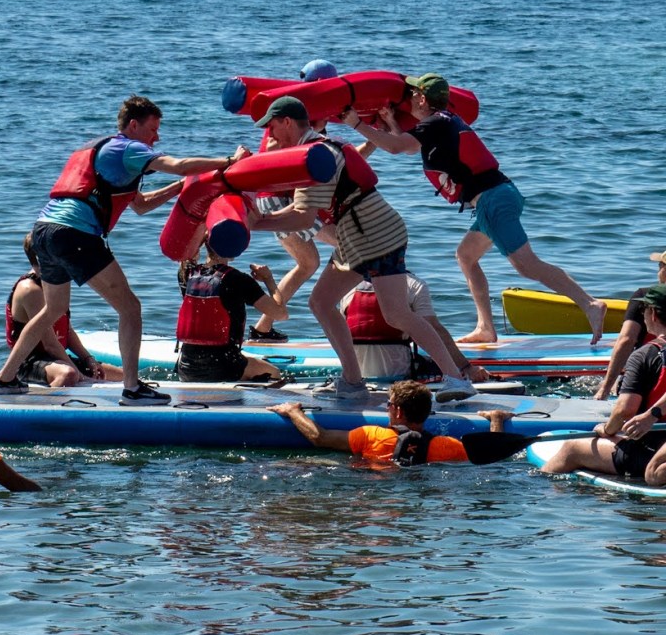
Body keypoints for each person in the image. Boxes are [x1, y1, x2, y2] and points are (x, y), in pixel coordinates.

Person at [0, 94, 250, 406]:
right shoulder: (127, 147)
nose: (157, 136)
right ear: (133, 125)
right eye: (152, 129)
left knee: (53, 309)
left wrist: (181, 188)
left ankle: (4, 380)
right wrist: (230, 163)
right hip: (75, 233)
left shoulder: (108, 153)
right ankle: (132, 389)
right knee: (131, 308)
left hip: (44, 230)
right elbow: (177, 165)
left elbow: (140, 205)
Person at [340, 73, 607, 346]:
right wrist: (392, 122)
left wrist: (356, 123)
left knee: (527, 265)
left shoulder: (434, 123)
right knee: (466, 256)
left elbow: (397, 148)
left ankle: (589, 304)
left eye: (412, 95)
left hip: (492, 200)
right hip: (499, 195)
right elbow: (408, 147)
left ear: (421, 98)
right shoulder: (446, 120)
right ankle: (485, 328)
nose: (409, 101)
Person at [249, 96, 476, 403]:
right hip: (367, 233)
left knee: (393, 313)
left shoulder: (315, 157)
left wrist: (254, 224)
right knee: (323, 302)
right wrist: (260, 216)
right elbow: (301, 209)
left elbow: (302, 217)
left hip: (373, 234)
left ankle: (454, 379)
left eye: (272, 126)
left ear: (288, 122)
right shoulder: (319, 147)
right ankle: (354, 381)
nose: (270, 135)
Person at [250, 58, 339, 343]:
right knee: (350, 246)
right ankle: (351, 313)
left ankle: (263, 327)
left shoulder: (288, 107)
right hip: (280, 198)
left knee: (308, 263)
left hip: (270, 197)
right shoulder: (302, 114)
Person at [541, 285, 666, 482]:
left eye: (644, 310)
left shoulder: (644, 355)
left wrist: (607, 429)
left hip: (649, 451)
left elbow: (625, 411)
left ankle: (543, 492)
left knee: (572, 448)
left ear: (653, 316)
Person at [270, 380, 509, 465]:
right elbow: (494, 453)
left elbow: (319, 438)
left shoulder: (371, 435)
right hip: (419, 485)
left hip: (374, 484)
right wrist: (496, 419)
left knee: (296, 464)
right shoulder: (446, 446)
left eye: (388, 404)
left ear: (396, 410)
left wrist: (293, 411)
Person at [6, 233, 124, 388]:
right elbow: (49, 344)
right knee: (69, 374)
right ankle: (48, 409)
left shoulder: (53, 283)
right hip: (30, 363)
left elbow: (66, 331)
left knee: (122, 374)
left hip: (57, 359)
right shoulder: (30, 290)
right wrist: (80, 374)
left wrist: (88, 359)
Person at [175, 243, 287, 382]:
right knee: (274, 373)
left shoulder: (187, 273)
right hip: (225, 368)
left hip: (186, 367)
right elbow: (280, 314)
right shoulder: (238, 279)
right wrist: (268, 279)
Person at [343, 277, 488, 383]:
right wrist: (466, 367)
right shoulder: (413, 285)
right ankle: (456, 380)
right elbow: (434, 329)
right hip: (400, 374)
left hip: (356, 373)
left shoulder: (347, 287)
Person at [593, 249, 666, 400]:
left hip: (647, 371)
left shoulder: (645, 297)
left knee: (595, 386)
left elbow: (627, 340)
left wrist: (605, 388)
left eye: (660, 266)